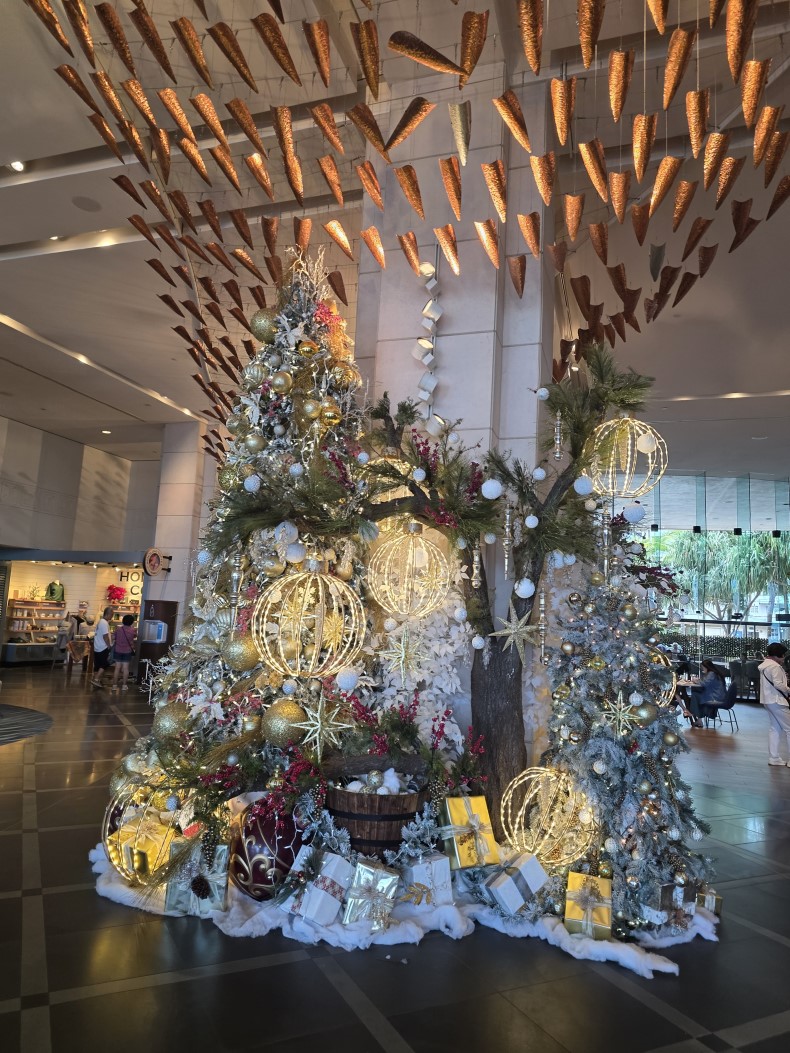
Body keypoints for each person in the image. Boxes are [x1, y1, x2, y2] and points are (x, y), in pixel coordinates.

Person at [757, 644, 790, 766]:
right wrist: (788, 689)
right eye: (783, 655)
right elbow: (778, 684)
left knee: (775, 728)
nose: (784, 658)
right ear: (777, 655)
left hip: (768, 700)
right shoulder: (775, 667)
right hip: (777, 700)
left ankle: (774, 757)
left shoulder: (765, 666)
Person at [687, 659, 727, 728]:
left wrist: (696, 681)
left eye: (703, 667)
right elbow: (707, 683)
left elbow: (704, 684)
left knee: (695, 696)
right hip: (718, 696)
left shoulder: (711, 673)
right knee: (696, 694)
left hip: (714, 697)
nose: (702, 669)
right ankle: (699, 718)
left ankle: (698, 718)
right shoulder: (715, 673)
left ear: (706, 667)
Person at [110, 615, 137, 692]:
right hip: (127, 651)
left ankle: (114, 686)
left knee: (117, 668)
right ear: (132, 622)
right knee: (125, 669)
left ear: (123, 621)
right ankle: (124, 686)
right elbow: (134, 637)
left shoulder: (118, 629)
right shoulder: (133, 630)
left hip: (118, 650)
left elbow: (113, 637)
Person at [91, 606, 114, 688]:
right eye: (112, 615)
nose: (112, 617)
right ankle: (96, 679)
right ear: (108, 614)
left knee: (97, 665)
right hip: (103, 647)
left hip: (97, 646)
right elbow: (105, 636)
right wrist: (109, 646)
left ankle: (96, 680)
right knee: (105, 664)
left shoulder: (100, 621)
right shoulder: (104, 623)